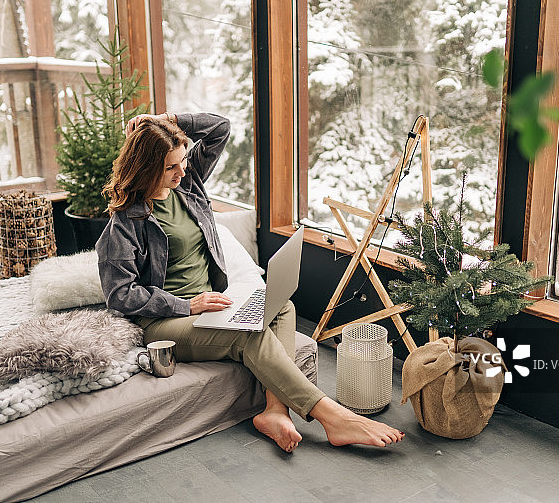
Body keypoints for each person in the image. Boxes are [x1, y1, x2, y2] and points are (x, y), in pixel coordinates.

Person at [96, 112, 404, 452]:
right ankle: (333, 417)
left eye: (183, 160)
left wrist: (166, 120)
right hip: (165, 322)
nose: (182, 171)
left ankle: (275, 410)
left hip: (214, 305)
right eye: (171, 167)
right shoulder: (125, 222)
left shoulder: (188, 186)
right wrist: (186, 304)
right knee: (249, 338)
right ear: (147, 168)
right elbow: (119, 294)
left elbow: (219, 128)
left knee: (282, 307)